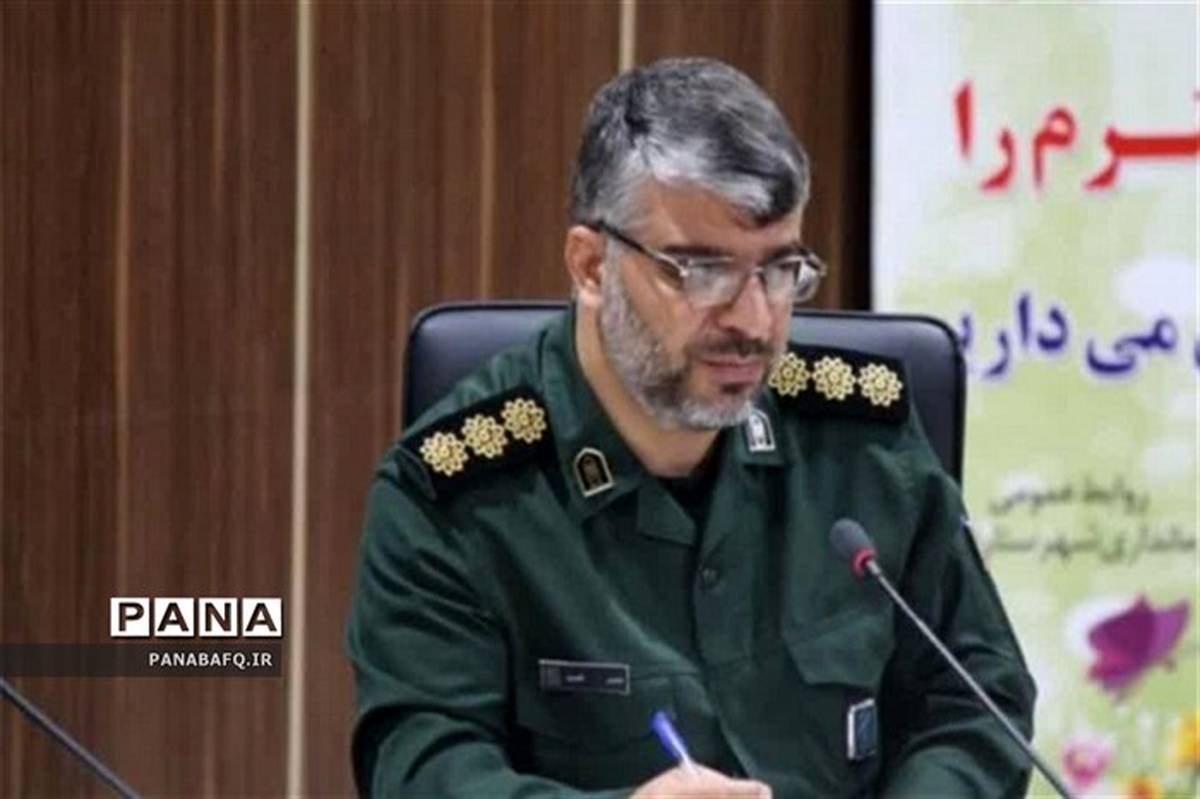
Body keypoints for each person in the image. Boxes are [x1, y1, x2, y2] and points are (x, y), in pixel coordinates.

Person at [346, 57, 1036, 798]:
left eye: (780, 270)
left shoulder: (861, 445)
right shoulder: (455, 493)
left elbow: (976, 703)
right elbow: (422, 767)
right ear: (591, 266)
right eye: (702, 271)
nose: (754, 320)